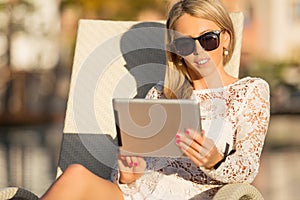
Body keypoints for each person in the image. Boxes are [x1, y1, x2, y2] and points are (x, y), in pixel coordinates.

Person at [41, 0, 270, 199]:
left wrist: (215, 161)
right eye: (185, 44)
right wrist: (127, 174)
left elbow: (248, 168)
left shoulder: (249, 91)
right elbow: (128, 168)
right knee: (76, 173)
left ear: (226, 39)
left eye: (207, 39)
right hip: (133, 194)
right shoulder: (160, 93)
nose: (198, 51)